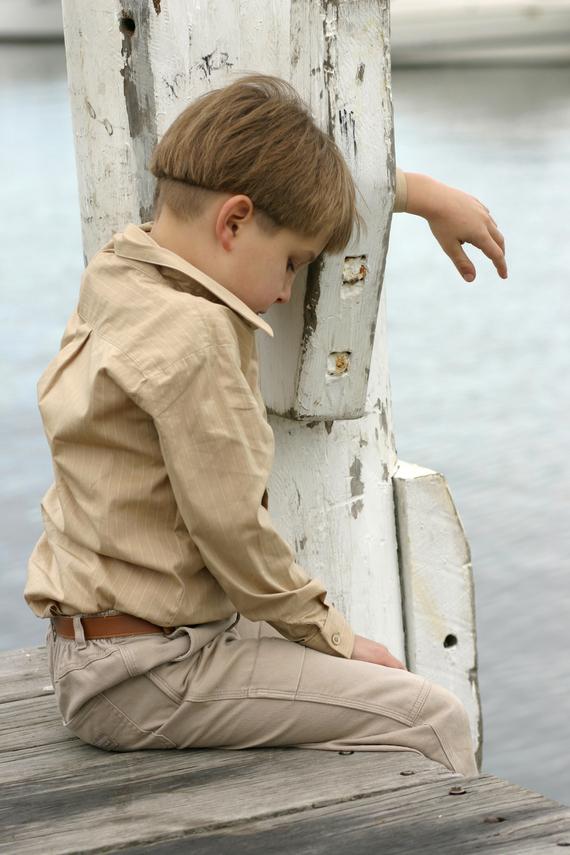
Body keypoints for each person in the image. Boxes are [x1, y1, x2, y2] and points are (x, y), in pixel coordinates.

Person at [24, 73, 506, 776]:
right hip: (149, 674)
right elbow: (235, 533)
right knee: (428, 715)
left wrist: (419, 194)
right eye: (291, 264)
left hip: (95, 648)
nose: (285, 292)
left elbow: (278, 186)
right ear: (234, 222)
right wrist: (336, 636)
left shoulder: (120, 268)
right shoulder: (198, 336)